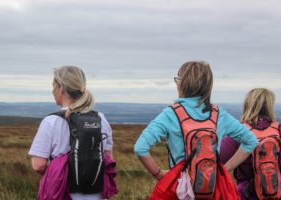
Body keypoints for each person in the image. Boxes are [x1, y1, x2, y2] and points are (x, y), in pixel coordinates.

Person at [134, 61, 259, 199]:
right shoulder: (219, 114)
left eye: (177, 80)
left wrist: (158, 174)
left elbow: (140, 148)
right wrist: (224, 169)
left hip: (180, 189)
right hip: (212, 188)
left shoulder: (170, 114)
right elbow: (251, 141)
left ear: (182, 84)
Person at [29, 66, 114, 200]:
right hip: (97, 194)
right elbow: (108, 159)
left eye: (53, 86)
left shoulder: (51, 121)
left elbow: (38, 165)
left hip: (63, 193)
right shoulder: (101, 119)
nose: (52, 90)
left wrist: (58, 176)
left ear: (60, 88)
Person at [220, 88, 281, 200]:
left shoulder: (240, 133)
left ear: (248, 105)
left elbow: (218, 157)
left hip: (246, 193)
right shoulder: (278, 130)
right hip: (277, 191)